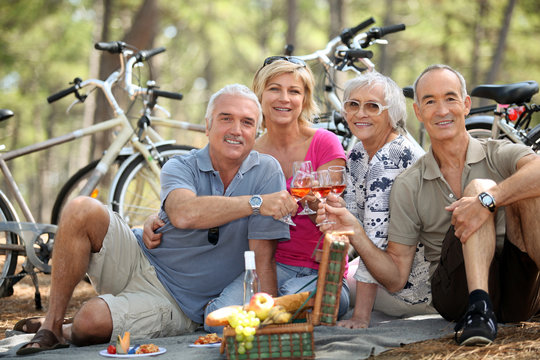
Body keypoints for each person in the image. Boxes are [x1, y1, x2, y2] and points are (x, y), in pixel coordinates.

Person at [15, 84, 296, 355]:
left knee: (90, 322)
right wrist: (256, 203)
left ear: (256, 132)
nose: (236, 130)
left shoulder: (266, 173)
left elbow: (263, 261)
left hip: (175, 300)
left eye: (247, 122)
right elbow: (184, 213)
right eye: (226, 119)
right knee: (80, 208)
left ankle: (70, 328)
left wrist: (264, 319)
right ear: (207, 126)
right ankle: (51, 326)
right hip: (138, 256)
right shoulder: (180, 164)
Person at [319, 64, 540, 346]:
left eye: (450, 98)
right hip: (456, 295)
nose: (442, 110)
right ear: (418, 113)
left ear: (466, 104)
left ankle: (489, 310)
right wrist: (356, 233)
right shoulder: (409, 183)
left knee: (522, 186)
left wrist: (489, 199)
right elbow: (396, 277)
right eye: (430, 101)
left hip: (518, 289)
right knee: (478, 189)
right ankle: (478, 309)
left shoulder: (497, 152)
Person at [330, 71, 433, 330]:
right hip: (387, 268)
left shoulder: (391, 160)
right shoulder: (358, 153)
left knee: (332, 293)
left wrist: (360, 317)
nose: (360, 113)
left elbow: (370, 242)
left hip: (413, 291)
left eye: (372, 106)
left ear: (393, 114)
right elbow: (352, 220)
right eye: (353, 104)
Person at [251, 56, 350, 317]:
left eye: (294, 91)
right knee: (217, 317)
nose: (284, 98)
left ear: (304, 100)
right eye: (275, 89)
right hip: (268, 266)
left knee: (278, 311)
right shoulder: (249, 153)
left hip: (320, 270)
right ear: (259, 95)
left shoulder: (325, 143)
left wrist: (314, 200)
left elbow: (332, 206)